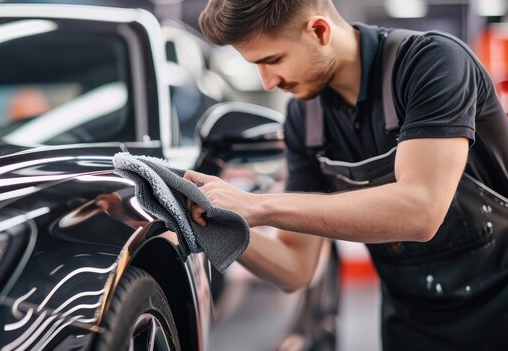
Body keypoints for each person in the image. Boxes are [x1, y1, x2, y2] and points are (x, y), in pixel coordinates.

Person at [185, 0, 508, 350]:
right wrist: (214, 224)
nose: (267, 82)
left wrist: (259, 206)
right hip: (414, 327)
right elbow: (296, 267)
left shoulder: (431, 63)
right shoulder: (304, 119)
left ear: (320, 31)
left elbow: (421, 209)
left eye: (273, 60)